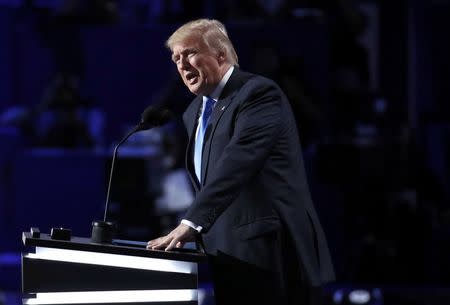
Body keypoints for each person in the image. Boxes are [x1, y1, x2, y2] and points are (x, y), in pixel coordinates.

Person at [147, 19, 335, 305]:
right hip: (227, 255)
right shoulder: (193, 112)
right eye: (176, 58)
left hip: (270, 252)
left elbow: (237, 163)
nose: (182, 65)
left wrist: (191, 222)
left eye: (190, 53)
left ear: (220, 54)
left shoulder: (257, 94)